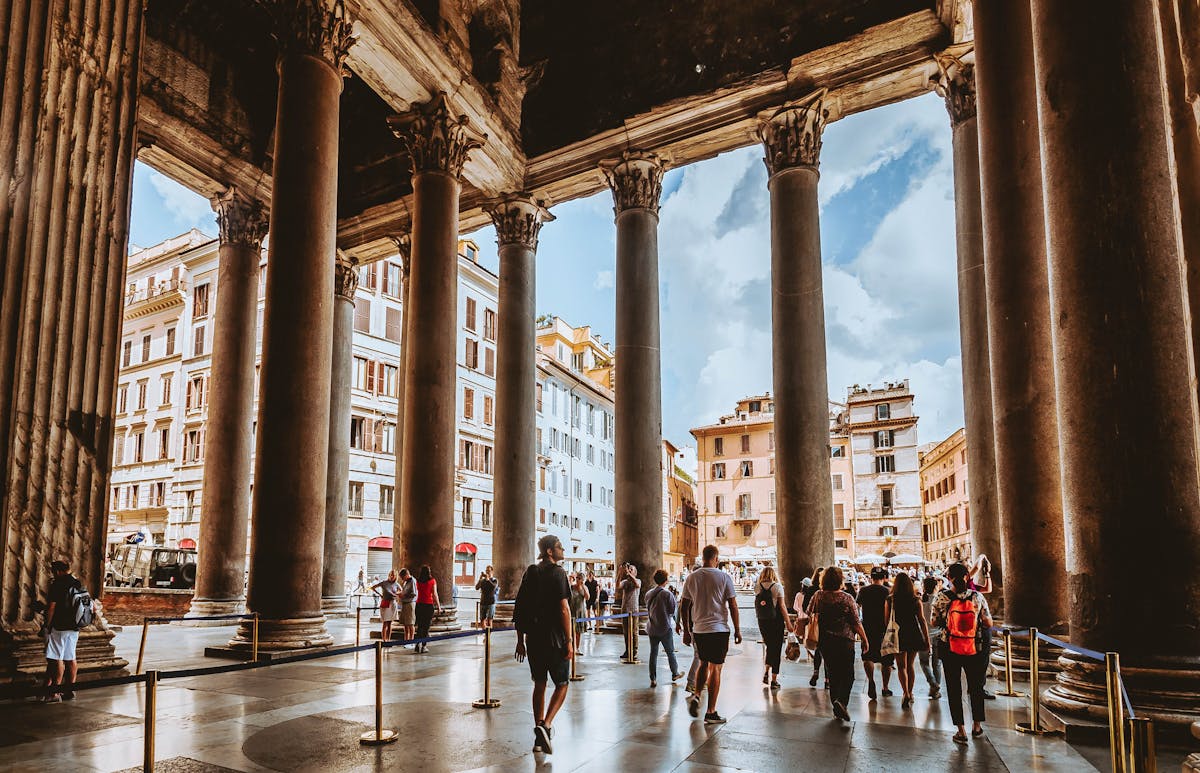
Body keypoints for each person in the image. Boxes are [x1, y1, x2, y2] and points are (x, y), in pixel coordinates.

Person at [514, 534, 573, 754]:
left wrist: (520, 640)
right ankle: (546, 725)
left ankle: (539, 739)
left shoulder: (531, 571)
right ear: (550, 551)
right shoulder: (559, 573)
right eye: (559, 546)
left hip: (534, 639)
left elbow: (520, 607)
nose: (563, 549)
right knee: (562, 684)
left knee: (539, 684)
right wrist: (569, 641)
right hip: (555, 638)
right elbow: (564, 608)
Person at [932, 563, 993, 744]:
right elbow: (988, 622)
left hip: (949, 646)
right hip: (973, 646)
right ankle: (977, 726)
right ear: (967, 576)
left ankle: (960, 730)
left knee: (953, 688)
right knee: (976, 686)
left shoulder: (942, 597)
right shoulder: (977, 596)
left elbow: (934, 621)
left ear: (949, 578)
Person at [681, 544, 742, 724]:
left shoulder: (692, 577)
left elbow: (684, 606)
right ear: (716, 558)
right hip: (719, 629)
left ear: (703, 557)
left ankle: (697, 695)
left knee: (703, 663)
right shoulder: (724, 577)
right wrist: (737, 629)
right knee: (716, 668)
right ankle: (711, 711)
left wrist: (686, 630)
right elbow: (733, 605)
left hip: (699, 630)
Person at [807, 565, 869, 721]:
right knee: (848, 674)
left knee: (833, 674)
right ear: (840, 580)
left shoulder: (818, 595)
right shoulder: (847, 598)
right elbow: (856, 622)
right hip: (845, 641)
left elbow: (809, 613)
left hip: (825, 641)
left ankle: (836, 706)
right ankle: (841, 701)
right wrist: (864, 639)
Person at [884, 571, 930, 708]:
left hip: (898, 634)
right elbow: (922, 621)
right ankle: (911, 692)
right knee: (910, 665)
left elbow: (886, 620)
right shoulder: (916, 600)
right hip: (913, 634)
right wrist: (927, 639)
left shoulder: (890, 599)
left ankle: (905, 693)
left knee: (901, 666)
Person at [41, 560, 85, 702]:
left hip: (59, 626)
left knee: (56, 659)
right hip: (74, 627)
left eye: (53, 572)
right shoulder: (77, 583)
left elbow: (51, 607)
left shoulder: (57, 584)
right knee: (71, 658)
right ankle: (70, 690)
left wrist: (47, 625)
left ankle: (55, 693)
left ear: (58, 571)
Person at [857, 566, 895, 700]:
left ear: (871, 577)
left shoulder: (863, 590)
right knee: (887, 660)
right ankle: (885, 687)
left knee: (867, 656)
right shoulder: (888, 592)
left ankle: (871, 680)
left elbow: (857, 606)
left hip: (868, 627)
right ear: (884, 577)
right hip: (885, 629)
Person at [645, 569, 682, 688]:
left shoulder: (648, 593)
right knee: (670, 652)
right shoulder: (667, 594)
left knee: (653, 653)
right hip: (665, 627)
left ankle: (653, 679)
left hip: (652, 627)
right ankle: (675, 673)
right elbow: (672, 610)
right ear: (665, 580)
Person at [754, 566, 788, 689]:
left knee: (770, 646)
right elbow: (782, 607)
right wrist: (788, 623)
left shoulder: (757, 587)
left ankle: (766, 671)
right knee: (776, 649)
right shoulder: (777, 587)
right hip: (776, 621)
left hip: (762, 621)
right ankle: (774, 680)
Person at [795, 568, 825, 688]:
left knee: (818, 648)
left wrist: (813, 615)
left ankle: (816, 671)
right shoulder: (828, 589)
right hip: (829, 623)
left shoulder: (812, 589)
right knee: (828, 650)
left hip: (816, 622)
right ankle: (828, 680)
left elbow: (805, 607)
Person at [919, 575, 943, 699]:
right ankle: (935, 689)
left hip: (923, 635)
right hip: (938, 635)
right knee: (937, 663)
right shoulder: (940, 600)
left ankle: (932, 683)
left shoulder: (920, 601)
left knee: (924, 662)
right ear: (935, 586)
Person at [413, 565, 441, 653]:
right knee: (426, 627)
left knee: (419, 626)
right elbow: (435, 594)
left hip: (419, 605)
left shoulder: (418, 581)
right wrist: (439, 606)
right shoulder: (432, 581)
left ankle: (417, 644)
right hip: (428, 605)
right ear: (429, 572)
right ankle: (424, 646)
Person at [618, 563, 642, 662]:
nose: (629, 570)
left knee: (634, 631)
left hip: (634, 609)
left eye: (631, 569)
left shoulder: (638, 580)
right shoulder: (625, 582)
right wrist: (620, 574)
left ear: (635, 572)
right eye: (629, 569)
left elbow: (636, 584)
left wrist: (628, 573)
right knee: (626, 632)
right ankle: (628, 650)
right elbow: (618, 586)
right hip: (625, 609)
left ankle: (634, 651)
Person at [371, 570, 400, 642]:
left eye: (393, 575)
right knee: (385, 623)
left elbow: (401, 590)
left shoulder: (396, 584)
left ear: (396, 576)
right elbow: (373, 587)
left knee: (390, 623)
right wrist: (380, 594)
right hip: (385, 603)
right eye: (391, 575)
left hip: (393, 603)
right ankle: (384, 640)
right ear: (389, 575)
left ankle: (388, 640)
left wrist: (396, 594)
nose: (392, 576)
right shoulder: (384, 583)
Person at [568, 572, 589, 649]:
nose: (577, 580)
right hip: (572, 610)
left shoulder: (584, 588)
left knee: (578, 632)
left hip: (580, 611)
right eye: (577, 578)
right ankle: (571, 647)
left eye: (579, 578)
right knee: (571, 631)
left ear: (582, 580)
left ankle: (577, 648)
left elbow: (587, 597)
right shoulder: (572, 587)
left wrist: (583, 586)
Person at [396, 568, 417, 644]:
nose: (402, 579)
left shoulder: (412, 581)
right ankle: (406, 640)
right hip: (405, 603)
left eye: (402, 577)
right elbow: (405, 591)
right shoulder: (406, 582)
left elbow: (414, 593)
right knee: (405, 624)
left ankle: (411, 641)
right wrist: (401, 593)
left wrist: (403, 595)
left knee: (410, 623)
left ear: (407, 575)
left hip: (410, 603)